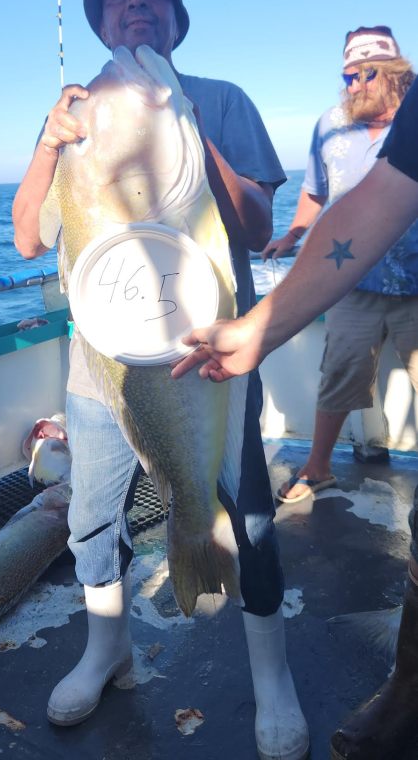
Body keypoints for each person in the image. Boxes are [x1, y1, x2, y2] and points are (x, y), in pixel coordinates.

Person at [13, 0, 310, 760]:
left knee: (245, 513)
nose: (135, 5)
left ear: (177, 21)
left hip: (209, 355)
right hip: (101, 366)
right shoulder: (76, 111)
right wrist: (49, 142)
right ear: (102, 23)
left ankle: (271, 677)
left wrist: (185, 123)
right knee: (90, 517)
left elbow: (252, 228)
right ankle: (106, 652)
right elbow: (30, 235)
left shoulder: (219, 99)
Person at [171, 74, 418, 760]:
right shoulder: (343, 134)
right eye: (351, 69)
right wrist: (261, 328)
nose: (362, 78)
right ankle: (411, 681)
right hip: (358, 289)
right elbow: (379, 199)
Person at [261, 26, 416, 504]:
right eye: (348, 76)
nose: (354, 85)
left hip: (416, 285)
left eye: (366, 74)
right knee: (338, 375)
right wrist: (293, 233)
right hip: (351, 282)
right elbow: (314, 191)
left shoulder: (413, 120)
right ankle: (318, 467)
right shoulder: (330, 123)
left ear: (395, 74)